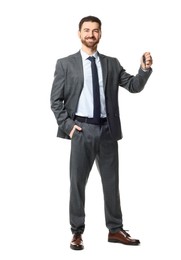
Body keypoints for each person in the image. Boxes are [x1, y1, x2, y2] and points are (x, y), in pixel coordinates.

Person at [50, 15, 153, 250]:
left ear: (100, 34)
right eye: (86, 30)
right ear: (79, 33)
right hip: (81, 130)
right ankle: (77, 232)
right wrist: (68, 126)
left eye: (95, 30)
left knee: (111, 182)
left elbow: (133, 86)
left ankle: (115, 230)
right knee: (77, 183)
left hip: (107, 130)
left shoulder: (111, 63)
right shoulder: (65, 64)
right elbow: (55, 101)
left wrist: (144, 69)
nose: (90, 34)